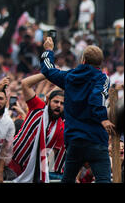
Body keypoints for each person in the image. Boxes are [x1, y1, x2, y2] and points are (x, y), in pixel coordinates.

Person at [40, 36, 114, 183]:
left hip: (75, 141)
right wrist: (103, 119)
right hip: (96, 139)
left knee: (67, 180)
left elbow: (48, 70)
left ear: (83, 60)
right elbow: (96, 96)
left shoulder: (69, 77)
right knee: (104, 180)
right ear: (100, 63)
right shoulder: (102, 78)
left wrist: (48, 50)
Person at [8, 73, 66, 182]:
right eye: (56, 102)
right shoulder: (38, 107)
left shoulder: (60, 128)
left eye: (62, 103)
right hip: (10, 162)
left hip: (30, 173)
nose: (58, 105)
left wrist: (42, 176)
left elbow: (50, 158)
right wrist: (48, 73)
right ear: (48, 101)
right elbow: (25, 84)